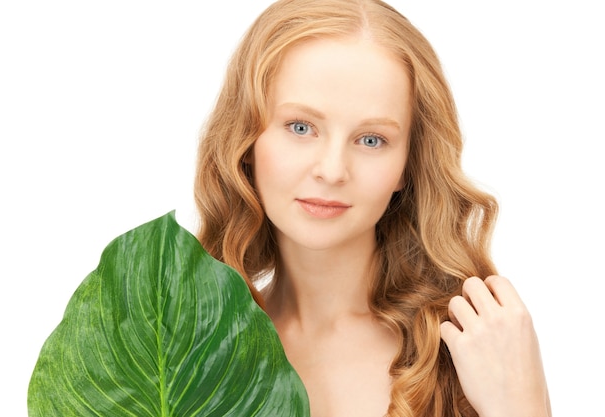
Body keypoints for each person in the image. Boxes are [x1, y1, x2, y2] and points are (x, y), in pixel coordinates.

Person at [193, 0, 551, 416]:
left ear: (406, 165)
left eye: (371, 139)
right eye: (301, 127)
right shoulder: (190, 347)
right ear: (246, 140)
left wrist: (520, 405)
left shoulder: (474, 345)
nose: (332, 171)